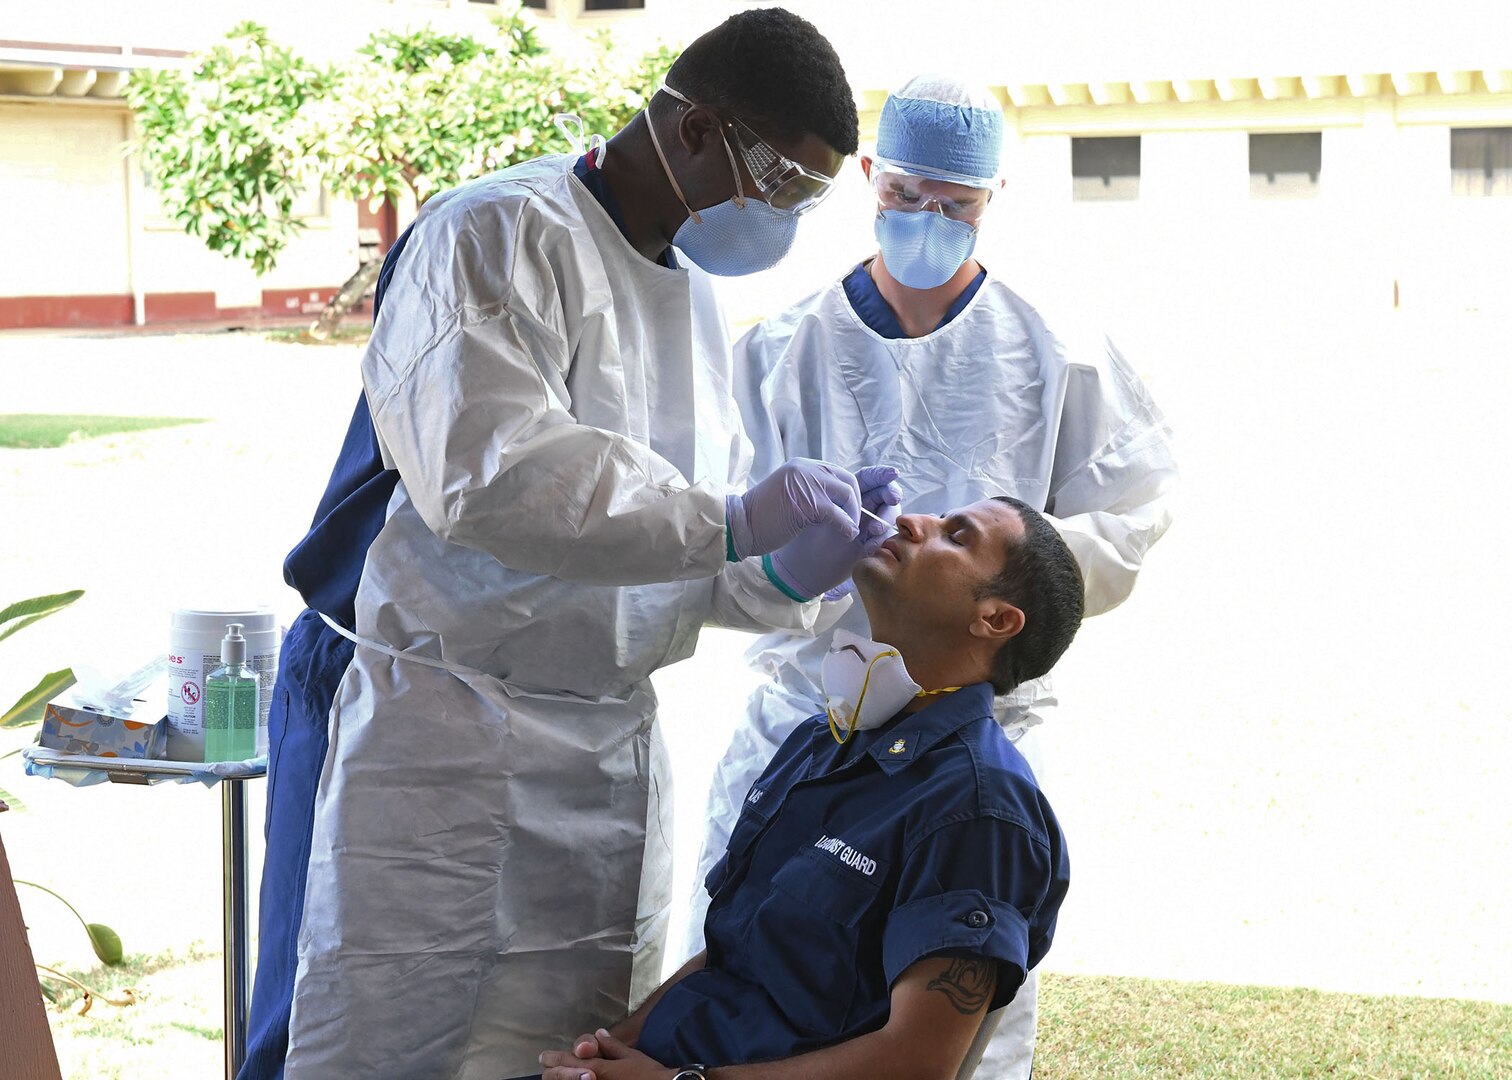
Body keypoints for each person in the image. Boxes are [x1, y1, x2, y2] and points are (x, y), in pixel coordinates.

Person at [238, 11, 896, 1079]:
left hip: (596, 742)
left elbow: (661, 535)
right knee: (366, 1035)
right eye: (776, 178)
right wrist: (734, 522)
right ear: (694, 129)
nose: (779, 215)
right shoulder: (493, 235)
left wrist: (776, 576)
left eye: (804, 199)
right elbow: (491, 475)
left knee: (565, 1046)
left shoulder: (688, 295)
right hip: (424, 721)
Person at [686, 74, 1180, 1079]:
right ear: (869, 178)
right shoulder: (781, 351)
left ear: (994, 196)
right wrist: (812, 571)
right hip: (809, 726)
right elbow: (713, 531)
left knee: (943, 1014)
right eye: (908, 196)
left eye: (957, 205)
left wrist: (978, 611)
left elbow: (1133, 514)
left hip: (969, 732)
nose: (930, 222)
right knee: (760, 970)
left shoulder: (1058, 354)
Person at [530, 497, 1078, 1080]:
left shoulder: (977, 808)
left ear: (995, 619)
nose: (913, 522)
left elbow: (914, 1063)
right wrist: (604, 1050)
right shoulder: (824, 740)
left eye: (956, 535)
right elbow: (732, 950)